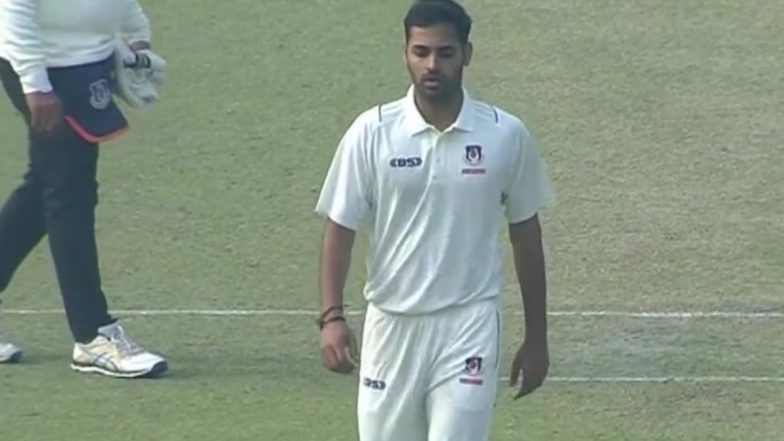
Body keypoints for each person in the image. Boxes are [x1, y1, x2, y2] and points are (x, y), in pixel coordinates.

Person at [314, 0, 553, 439]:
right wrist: (331, 317)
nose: (431, 65)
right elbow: (340, 227)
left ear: (467, 54)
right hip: (391, 326)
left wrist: (537, 336)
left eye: (445, 53)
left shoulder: (504, 135)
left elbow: (526, 233)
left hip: (469, 325)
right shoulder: (372, 132)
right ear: (405, 53)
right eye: (420, 52)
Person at [0, 0, 168, 378]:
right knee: (69, 195)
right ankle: (93, 335)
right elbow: (14, 5)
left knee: (47, 186)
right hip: (45, 68)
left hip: (88, 61)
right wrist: (35, 84)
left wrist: (136, 33)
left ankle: (93, 334)